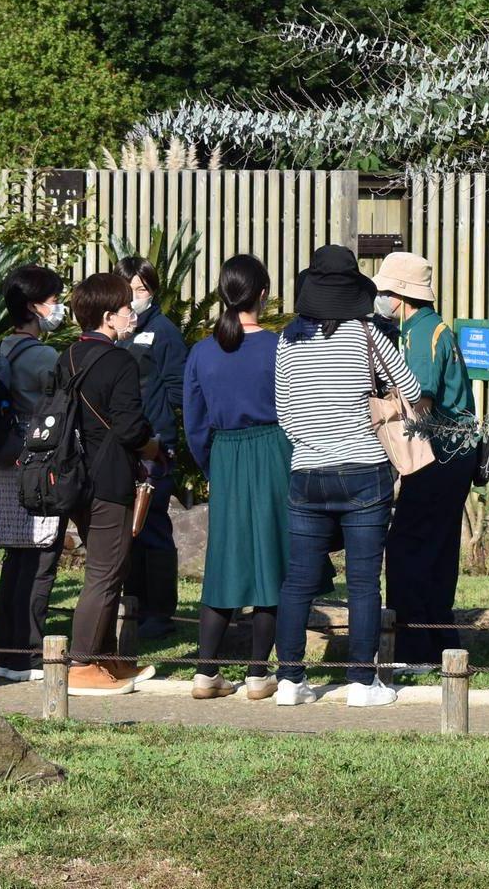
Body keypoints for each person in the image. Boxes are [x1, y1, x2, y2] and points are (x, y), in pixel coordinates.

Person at [273, 245, 422, 709]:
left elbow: (282, 412)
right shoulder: (367, 334)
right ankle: (361, 681)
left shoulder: (288, 339)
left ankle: (290, 680)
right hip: (363, 469)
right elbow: (412, 389)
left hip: (307, 471)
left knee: (297, 581)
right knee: (361, 581)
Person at [183, 255, 289, 700]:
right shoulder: (279, 347)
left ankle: (206, 671)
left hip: (225, 454)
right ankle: (257, 672)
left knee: (223, 561)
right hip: (273, 451)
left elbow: (194, 423)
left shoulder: (203, 351)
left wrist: (214, 466)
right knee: (271, 561)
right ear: (262, 294)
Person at [375, 252, 479, 670]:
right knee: (436, 550)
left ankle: (416, 648)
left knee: (407, 550)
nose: (379, 298)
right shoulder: (430, 328)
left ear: (400, 295)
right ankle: (439, 641)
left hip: (437, 455)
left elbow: (418, 396)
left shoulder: (421, 335)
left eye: (383, 291)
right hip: (455, 454)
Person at [62, 272, 160, 697]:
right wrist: (153, 446)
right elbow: (129, 427)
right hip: (110, 477)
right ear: (107, 316)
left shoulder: (66, 356)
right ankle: (82, 664)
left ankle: (102, 658)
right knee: (106, 571)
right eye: (126, 307)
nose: (131, 313)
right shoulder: (119, 361)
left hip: (74, 476)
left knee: (105, 567)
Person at [0, 264, 66, 681]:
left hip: (7, 461)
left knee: (14, 557)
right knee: (41, 557)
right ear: (35, 307)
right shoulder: (44, 357)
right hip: (40, 463)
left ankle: (7, 650)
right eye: (53, 300)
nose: (58, 307)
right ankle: (28, 653)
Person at [115, 255, 185, 638]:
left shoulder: (165, 331)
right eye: (128, 290)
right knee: (128, 528)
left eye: (141, 289)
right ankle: (132, 602)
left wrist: (164, 435)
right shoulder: (118, 330)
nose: (135, 296)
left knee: (153, 523)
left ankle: (160, 612)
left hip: (155, 443)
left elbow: (177, 388)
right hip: (124, 442)